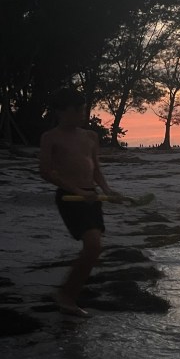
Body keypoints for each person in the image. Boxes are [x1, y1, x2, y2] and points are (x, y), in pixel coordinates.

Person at [38, 88, 115, 316]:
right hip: (70, 197)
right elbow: (46, 172)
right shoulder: (50, 137)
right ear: (61, 111)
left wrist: (107, 190)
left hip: (92, 196)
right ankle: (66, 296)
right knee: (93, 246)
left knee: (94, 249)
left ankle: (68, 293)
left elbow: (96, 170)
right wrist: (77, 191)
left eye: (83, 109)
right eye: (78, 110)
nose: (83, 114)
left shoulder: (90, 136)